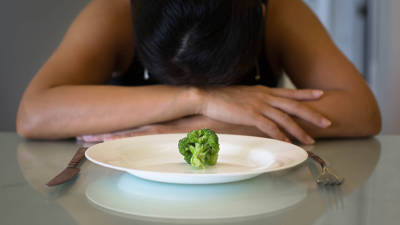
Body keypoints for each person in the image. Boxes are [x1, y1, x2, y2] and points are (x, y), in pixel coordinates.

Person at [16, 0, 381, 144]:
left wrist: (189, 127)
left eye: (217, 81)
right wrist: (201, 100)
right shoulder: (114, 11)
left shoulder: (280, 10)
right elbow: (34, 113)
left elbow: (362, 112)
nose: (196, 88)